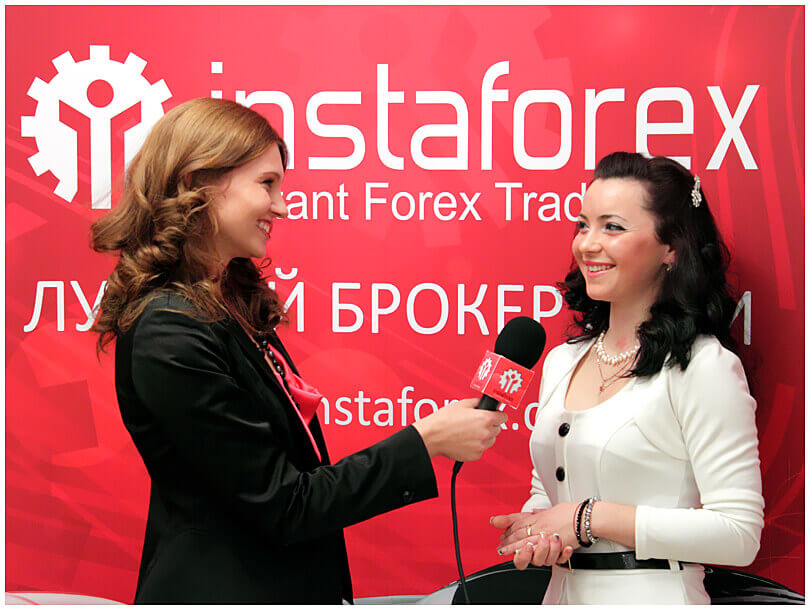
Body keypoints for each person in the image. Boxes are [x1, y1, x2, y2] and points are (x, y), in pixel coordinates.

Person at [90, 97, 508, 604]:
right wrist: (427, 440)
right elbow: (285, 503)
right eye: (266, 184)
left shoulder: (228, 309)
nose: (281, 206)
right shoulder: (170, 330)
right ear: (197, 181)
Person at [490, 152, 764, 604]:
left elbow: (738, 533)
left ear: (671, 248)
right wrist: (537, 529)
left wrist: (588, 518)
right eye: (583, 225)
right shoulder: (561, 360)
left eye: (612, 227)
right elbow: (549, 490)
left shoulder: (703, 365)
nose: (587, 244)